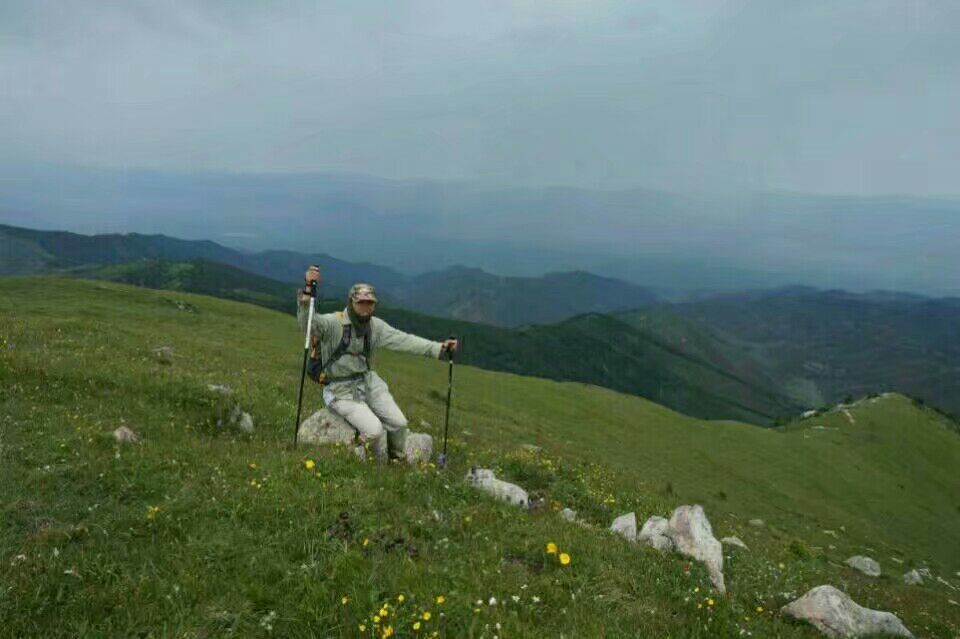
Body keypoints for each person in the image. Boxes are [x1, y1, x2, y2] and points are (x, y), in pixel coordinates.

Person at [297, 265, 458, 461]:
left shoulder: (375, 327)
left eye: (370, 303)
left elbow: (405, 340)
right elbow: (309, 324)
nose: (366, 307)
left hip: (367, 382)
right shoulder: (334, 323)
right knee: (375, 430)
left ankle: (396, 459)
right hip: (339, 389)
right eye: (361, 302)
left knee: (399, 423)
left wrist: (439, 348)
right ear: (351, 302)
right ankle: (358, 454)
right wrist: (307, 295)